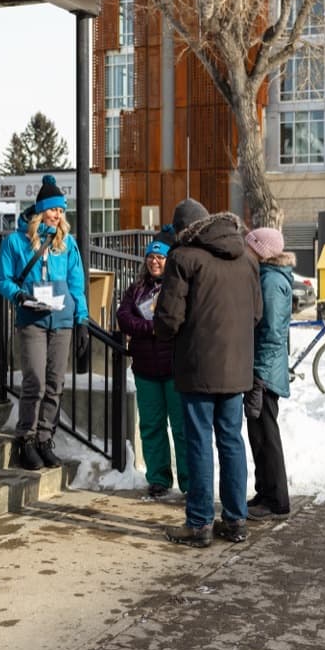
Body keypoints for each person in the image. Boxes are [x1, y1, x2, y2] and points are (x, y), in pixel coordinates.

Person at [155, 198, 262, 547]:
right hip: (236, 367)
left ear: (182, 230)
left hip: (197, 365)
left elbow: (169, 319)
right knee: (231, 440)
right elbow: (256, 314)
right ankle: (235, 520)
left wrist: (161, 331)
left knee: (199, 441)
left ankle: (199, 523)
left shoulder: (183, 258)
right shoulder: (247, 258)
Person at [0, 175, 90, 470]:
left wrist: (82, 319)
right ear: (40, 210)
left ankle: (44, 439)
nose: (57, 215)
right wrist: (19, 295)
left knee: (55, 383)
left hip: (62, 320)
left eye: (61, 210)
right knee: (34, 381)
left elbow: (77, 285)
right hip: (32, 319)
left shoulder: (67, 243)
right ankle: (26, 437)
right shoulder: (15, 241)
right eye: (52, 209)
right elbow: (2, 280)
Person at [116, 228, 186, 499]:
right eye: (150, 257)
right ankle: (158, 478)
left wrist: (158, 327)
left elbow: (178, 321)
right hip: (145, 369)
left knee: (181, 428)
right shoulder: (136, 289)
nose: (154, 261)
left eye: (160, 257)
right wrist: (152, 328)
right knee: (151, 426)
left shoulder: (177, 287)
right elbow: (124, 318)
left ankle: (190, 481)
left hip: (174, 368)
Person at [242, 226, 293, 520]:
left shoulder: (271, 282)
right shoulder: (267, 276)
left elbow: (272, 333)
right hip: (265, 369)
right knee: (258, 434)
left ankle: (276, 500)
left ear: (261, 251)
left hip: (265, 372)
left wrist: (259, 374)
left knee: (266, 435)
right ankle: (265, 492)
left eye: (250, 246)